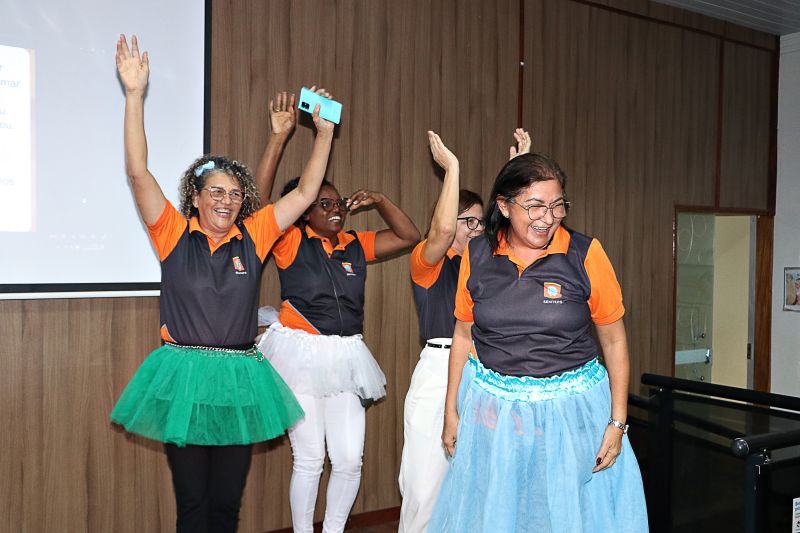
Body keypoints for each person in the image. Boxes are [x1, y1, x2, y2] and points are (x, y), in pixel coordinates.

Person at [109, 35, 336, 533]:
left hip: (239, 380)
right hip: (184, 378)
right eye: (215, 191)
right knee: (193, 506)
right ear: (195, 198)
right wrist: (134, 96)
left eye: (234, 194)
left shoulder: (254, 236)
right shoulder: (172, 233)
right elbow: (137, 172)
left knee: (226, 508)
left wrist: (322, 133)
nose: (225, 201)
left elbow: (305, 194)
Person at [429, 153, 648, 532]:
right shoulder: (477, 255)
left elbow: (614, 342)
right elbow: (463, 335)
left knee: (566, 513)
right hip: (495, 414)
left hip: (572, 415)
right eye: (534, 206)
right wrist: (451, 411)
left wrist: (618, 421)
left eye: (557, 205)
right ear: (504, 205)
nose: (547, 218)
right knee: (501, 511)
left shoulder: (584, 253)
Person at [253, 99, 422, 533]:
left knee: (349, 460)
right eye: (323, 202)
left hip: (346, 356)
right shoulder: (290, 241)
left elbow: (408, 235)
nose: (336, 209)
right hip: (299, 355)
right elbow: (260, 207)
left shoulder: (354, 244)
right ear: (304, 210)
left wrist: (380, 200)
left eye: (338, 202)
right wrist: (278, 138)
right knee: (309, 459)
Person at [397, 129, 530, 533]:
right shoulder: (428, 262)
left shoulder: (487, 263)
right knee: (425, 488)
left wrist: (516, 172)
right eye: (467, 220)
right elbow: (440, 233)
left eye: (479, 221)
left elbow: (513, 228)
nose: (476, 228)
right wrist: (451, 168)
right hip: (439, 371)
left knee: (479, 487)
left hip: (484, 374)